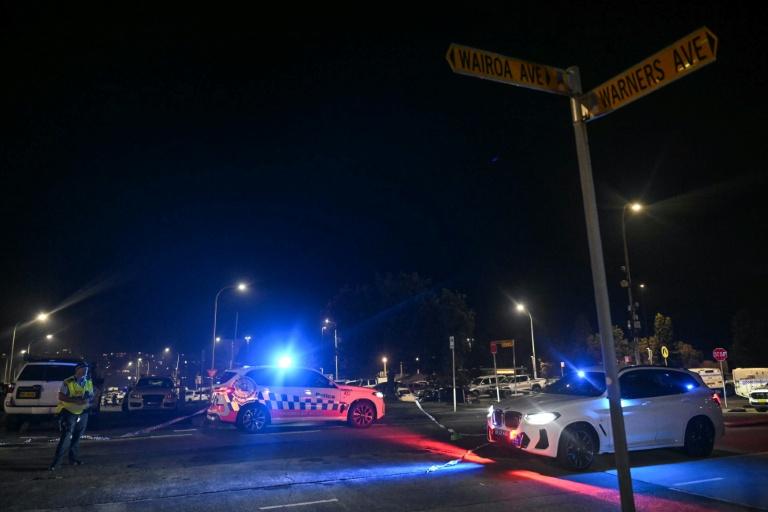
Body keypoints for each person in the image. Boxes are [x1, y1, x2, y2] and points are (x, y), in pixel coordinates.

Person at [49, 362, 93, 470]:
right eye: (84, 369)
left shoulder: (88, 381)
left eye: (87, 369)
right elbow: (61, 396)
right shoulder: (68, 382)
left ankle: (73, 459)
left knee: (77, 436)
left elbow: (90, 395)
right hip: (69, 412)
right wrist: (75, 401)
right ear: (77, 370)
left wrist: (88, 399)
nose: (86, 371)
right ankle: (56, 463)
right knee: (66, 437)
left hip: (83, 412)